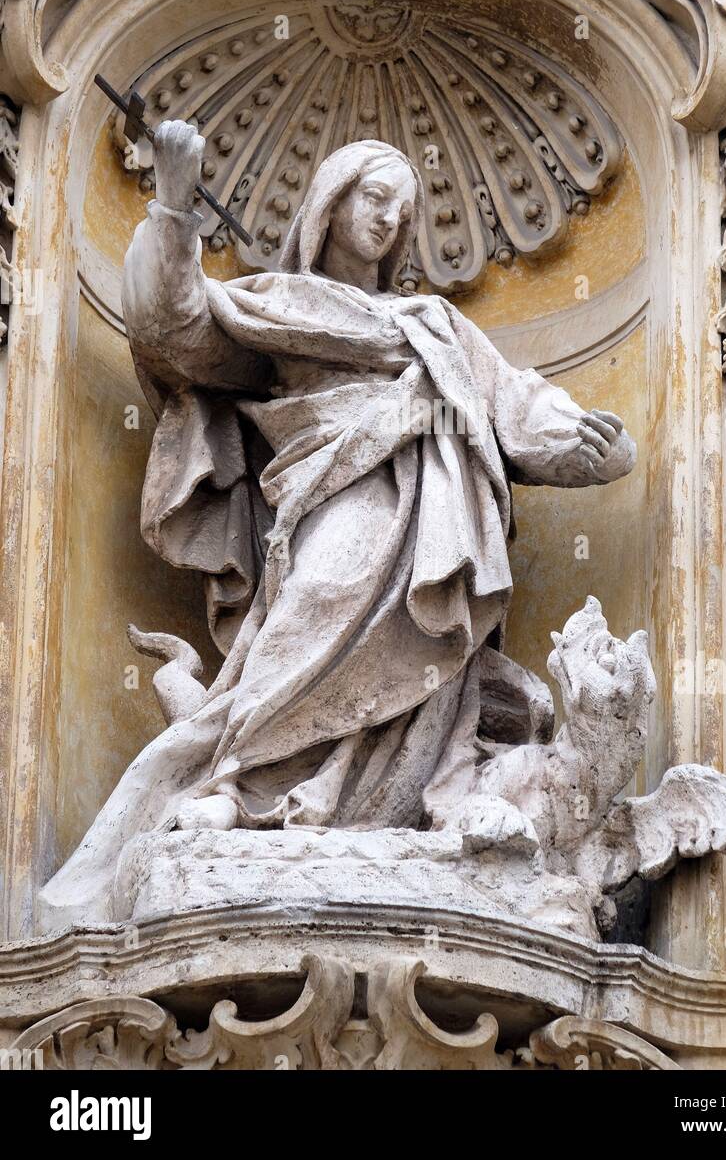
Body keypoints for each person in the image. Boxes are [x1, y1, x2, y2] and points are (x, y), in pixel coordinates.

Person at [38, 122, 635, 927]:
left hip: (434, 520)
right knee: (308, 617)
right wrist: (175, 209)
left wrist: (586, 441)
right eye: (374, 197)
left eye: (404, 208)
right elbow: (174, 330)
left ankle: (355, 808)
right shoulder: (281, 303)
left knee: (417, 661)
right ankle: (238, 788)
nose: (388, 218)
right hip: (333, 499)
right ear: (331, 203)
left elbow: (516, 403)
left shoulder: (434, 324)